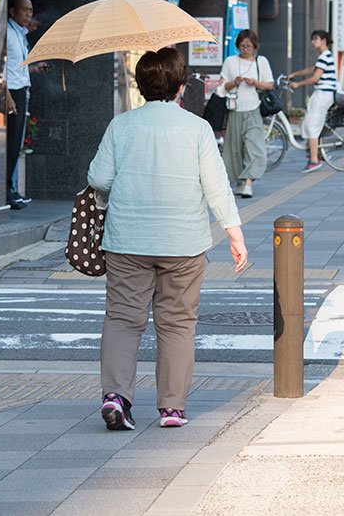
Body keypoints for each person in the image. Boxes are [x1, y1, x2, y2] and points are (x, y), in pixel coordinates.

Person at [87, 48, 248, 430]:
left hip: (127, 239)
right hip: (184, 243)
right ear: (181, 86)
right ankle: (172, 408)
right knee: (177, 323)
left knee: (124, 319)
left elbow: (98, 178)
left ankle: (116, 398)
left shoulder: (121, 125)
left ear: (141, 86)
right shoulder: (197, 128)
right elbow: (216, 186)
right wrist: (234, 233)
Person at [6, 0, 50, 210]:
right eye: (24, 10)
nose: (29, 14)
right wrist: (7, 95)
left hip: (22, 91)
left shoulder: (21, 35)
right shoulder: (6, 32)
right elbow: (1, 66)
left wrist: (34, 68)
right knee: (10, 144)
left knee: (16, 144)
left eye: (31, 10)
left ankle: (12, 189)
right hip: (11, 93)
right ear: (13, 11)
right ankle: (7, 190)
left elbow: (18, 66)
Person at [219, 29, 273, 198]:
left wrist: (254, 82)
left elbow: (269, 85)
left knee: (254, 147)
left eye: (249, 46)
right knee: (234, 150)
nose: (245, 49)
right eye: (242, 46)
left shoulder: (261, 62)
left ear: (254, 46)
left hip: (253, 109)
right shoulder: (230, 61)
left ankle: (248, 182)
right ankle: (240, 182)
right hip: (234, 110)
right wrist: (233, 83)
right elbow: (221, 86)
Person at [288, 30, 337, 173]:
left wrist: (298, 84)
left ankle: (314, 160)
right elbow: (312, 69)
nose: (313, 42)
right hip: (325, 95)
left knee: (312, 127)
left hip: (322, 94)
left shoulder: (324, 56)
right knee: (313, 124)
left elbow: (315, 78)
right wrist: (294, 74)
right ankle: (317, 154)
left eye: (315, 39)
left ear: (323, 40)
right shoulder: (324, 56)